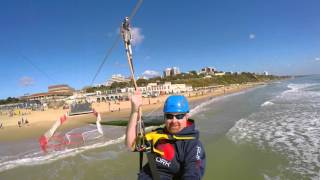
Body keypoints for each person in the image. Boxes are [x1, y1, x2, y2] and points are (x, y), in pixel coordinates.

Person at [126, 90, 206, 179]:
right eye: (169, 116)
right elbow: (131, 145)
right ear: (164, 117)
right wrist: (134, 111)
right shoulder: (157, 135)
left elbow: (193, 174)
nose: (174, 121)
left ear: (186, 116)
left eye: (179, 116)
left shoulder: (193, 145)